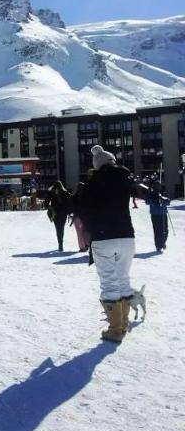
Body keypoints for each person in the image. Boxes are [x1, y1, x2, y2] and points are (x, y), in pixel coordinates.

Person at [78, 145, 136, 343]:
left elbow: (82, 208)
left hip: (104, 237)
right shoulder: (125, 179)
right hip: (127, 236)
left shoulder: (92, 183)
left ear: (97, 165)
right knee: (123, 279)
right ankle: (123, 322)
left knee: (109, 282)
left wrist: (88, 228)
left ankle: (115, 329)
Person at [44, 181, 72, 252]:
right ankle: (61, 243)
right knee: (61, 228)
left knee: (57, 228)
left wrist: (50, 207)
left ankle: (60, 244)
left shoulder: (51, 192)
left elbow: (45, 204)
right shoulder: (65, 193)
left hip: (55, 213)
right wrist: (69, 212)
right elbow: (69, 203)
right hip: (63, 213)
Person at [145, 183, 170, 252]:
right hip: (155, 214)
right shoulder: (150, 193)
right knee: (157, 231)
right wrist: (155, 201)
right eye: (156, 185)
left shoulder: (163, 193)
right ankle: (158, 246)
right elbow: (147, 201)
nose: (158, 187)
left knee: (165, 230)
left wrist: (164, 201)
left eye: (159, 185)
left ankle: (163, 242)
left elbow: (168, 202)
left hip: (163, 213)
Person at [70, 182, 89, 252]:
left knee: (79, 233)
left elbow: (71, 207)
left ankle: (82, 247)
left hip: (77, 216)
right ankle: (87, 244)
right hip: (85, 216)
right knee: (86, 231)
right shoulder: (87, 197)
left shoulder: (73, 196)